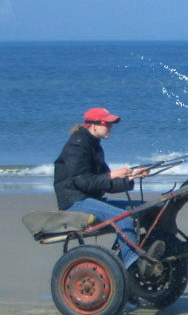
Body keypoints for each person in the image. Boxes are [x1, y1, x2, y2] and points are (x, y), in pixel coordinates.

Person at [54, 107, 164, 276]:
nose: (110, 127)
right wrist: (113, 174)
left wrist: (132, 176)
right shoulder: (77, 145)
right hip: (74, 201)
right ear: (93, 125)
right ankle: (131, 267)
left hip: (90, 199)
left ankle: (154, 248)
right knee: (124, 218)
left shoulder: (94, 146)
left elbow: (106, 184)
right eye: (107, 123)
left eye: (111, 124)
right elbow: (83, 181)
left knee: (146, 208)